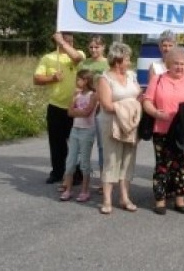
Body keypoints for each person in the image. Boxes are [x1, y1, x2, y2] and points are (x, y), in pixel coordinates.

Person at [142, 46, 184, 215]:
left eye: (182, 64)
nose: (179, 67)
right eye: (176, 63)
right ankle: (160, 200)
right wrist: (156, 113)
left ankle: (180, 200)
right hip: (162, 129)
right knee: (162, 165)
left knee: (183, 166)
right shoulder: (157, 79)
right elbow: (147, 101)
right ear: (168, 64)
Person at [33, 32, 85, 185]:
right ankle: (57, 172)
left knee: (76, 142)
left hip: (75, 107)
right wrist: (52, 78)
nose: (69, 43)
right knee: (56, 142)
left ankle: (76, 173)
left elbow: (76, 58)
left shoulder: (78, 53)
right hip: (56, 105)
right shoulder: (48, 58)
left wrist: (62, 42)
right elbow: (36, 79)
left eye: (71, 40)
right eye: (66, 40)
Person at [97, 42, 142, 214]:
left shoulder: (132, 75)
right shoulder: (104, 79)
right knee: (111, 160)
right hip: (112, 124)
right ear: (117, 61)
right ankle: (107, 200)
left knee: (128, 160)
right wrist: (130, 105)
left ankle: (125, 197)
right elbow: (107, 105)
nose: (129, 62)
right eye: (127, 59)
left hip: (131, 124)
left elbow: (138, 94)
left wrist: (137, 105)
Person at [59, 69, 99, 202]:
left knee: (84, 162)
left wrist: (77, 111)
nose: (77, 82)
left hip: (87, 130)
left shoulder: (93, 95)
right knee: (70, 161)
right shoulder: (77, 94)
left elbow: (88, 112)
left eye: (79, 79)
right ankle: (68, 189)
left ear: (86, 80)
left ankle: (85, 190)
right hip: (75, 129)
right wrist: (74, 103)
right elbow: (69, 112)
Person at [79, 35, 109, 190]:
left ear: (103, 47)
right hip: (86, 106)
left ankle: (104, 179)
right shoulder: (84, 63)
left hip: (101, 107)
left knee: (102, 146)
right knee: (83, 144)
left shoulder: (108, 63)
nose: (93, 50)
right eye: (91, 47)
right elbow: (79, 84)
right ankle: (82, 177)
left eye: (97, 47)